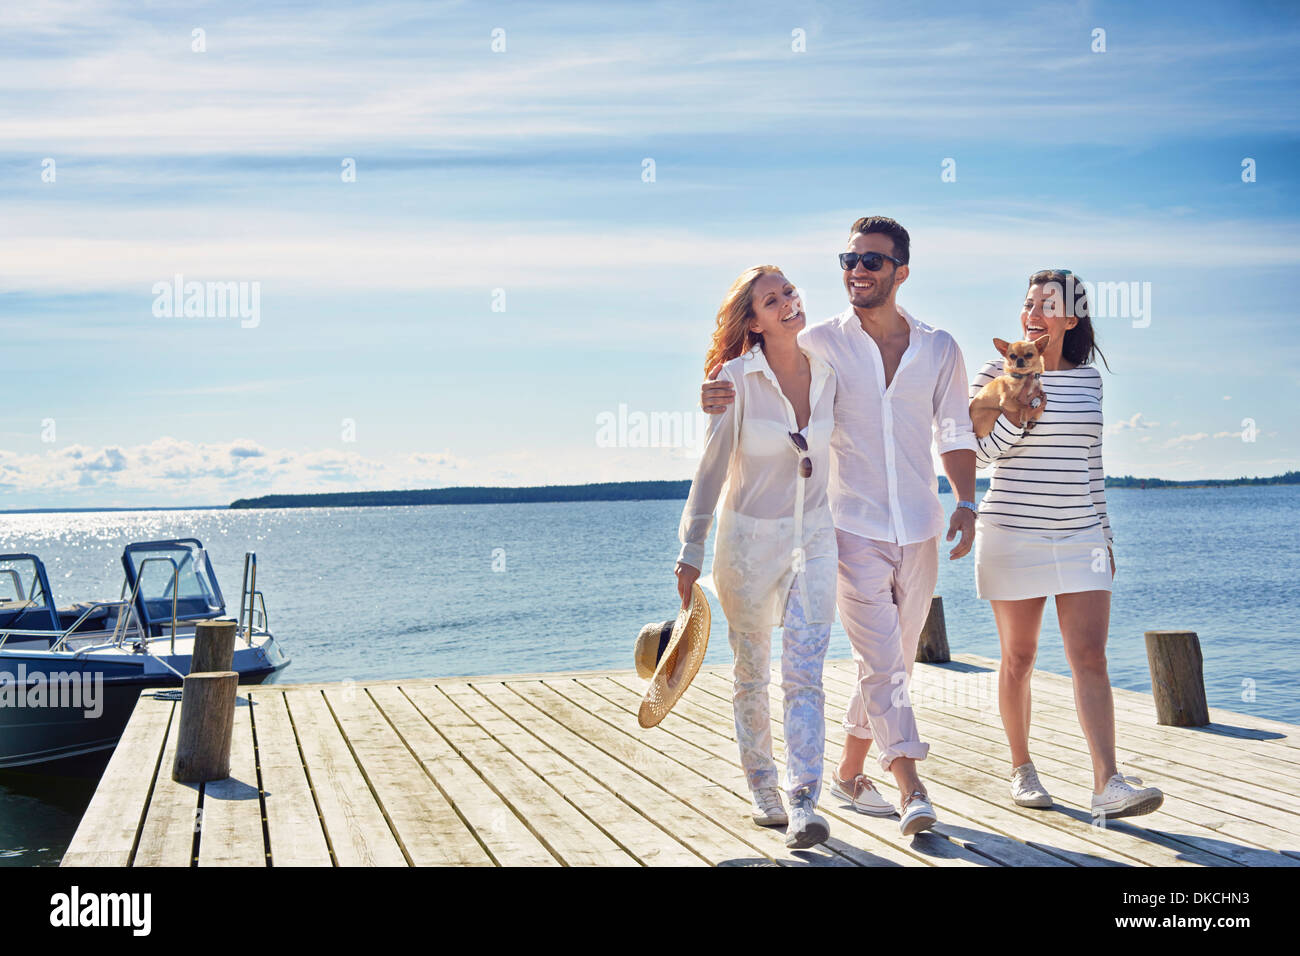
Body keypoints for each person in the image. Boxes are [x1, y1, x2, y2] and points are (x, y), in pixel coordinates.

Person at [701, 218, 980, 837]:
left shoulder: (939, 347)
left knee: (896, 660)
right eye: (849, 259)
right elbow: (758, 366)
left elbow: (955, 429)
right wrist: (715, 387)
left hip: (920, 526)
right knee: (882, 662)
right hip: (846, 528)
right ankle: (913, 788)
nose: (857, 270)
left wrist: (966, 501)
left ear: (900, 272)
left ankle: (850, 773)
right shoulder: (821, 340)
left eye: (872, 262)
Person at [971, 269, 1163, 820]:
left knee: (1091, 659)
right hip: (1012, 530)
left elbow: (1092, 465)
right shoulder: (997, 370)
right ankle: (1022, 768)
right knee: (1020, 657)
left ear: (1070, 319)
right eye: (1028, 302)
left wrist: (1105, 534)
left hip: (1081, 535)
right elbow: (981, 457)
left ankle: (1108, 782)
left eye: (1046, 304)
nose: (1033, 311)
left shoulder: (1089, 381)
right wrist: (1019, 416)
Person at [675, 265, 837, 849]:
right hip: (746, 544)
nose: (789, 303)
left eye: (790, 291)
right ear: (754, 322)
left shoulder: (829, 369)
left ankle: (804, 799)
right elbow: (712, 467)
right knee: (751, 673)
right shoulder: (736, 379)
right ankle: (762, 786)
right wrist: (689, 550)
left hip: (815, 538)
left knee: (805, 672)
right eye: (773, 300)